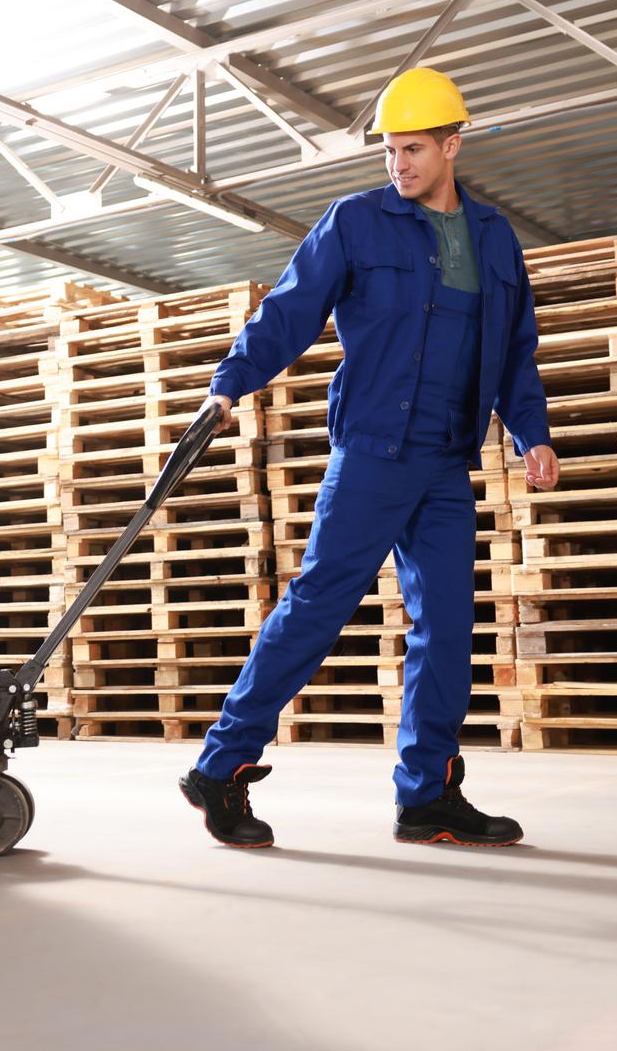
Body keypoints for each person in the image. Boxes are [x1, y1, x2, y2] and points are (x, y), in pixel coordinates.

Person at [178, 67, 557, 849]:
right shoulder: (356, 221)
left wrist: (532, 431)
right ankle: (222, 766)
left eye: (414, 149)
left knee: (449, 627)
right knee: (316, 607)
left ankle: (428, 796)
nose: (399, 164)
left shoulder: (493, 238)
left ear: (454, 145)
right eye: (390, 150)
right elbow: (288, 310)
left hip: (447, 463)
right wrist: (229, 384)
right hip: (373, 455)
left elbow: (518, 349)